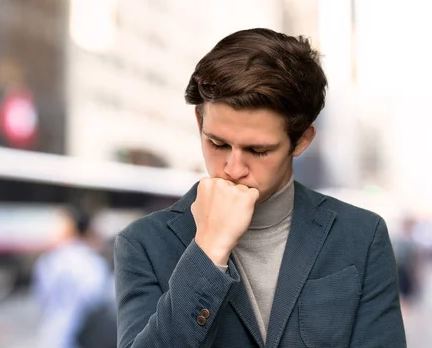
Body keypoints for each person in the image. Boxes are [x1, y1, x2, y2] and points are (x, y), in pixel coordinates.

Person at [114, 28, 406, 348]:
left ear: (301, 141)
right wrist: (208, 252)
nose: (233, 169)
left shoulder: (362, 236)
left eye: (257, 150)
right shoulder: (142, 243)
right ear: (200, 121)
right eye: (218, 143)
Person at [32, 207, 115, 348]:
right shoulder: (93, 262)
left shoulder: (49, 260)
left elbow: (41, 297)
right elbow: (98, 301)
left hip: (51, 336)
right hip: (80, 338)